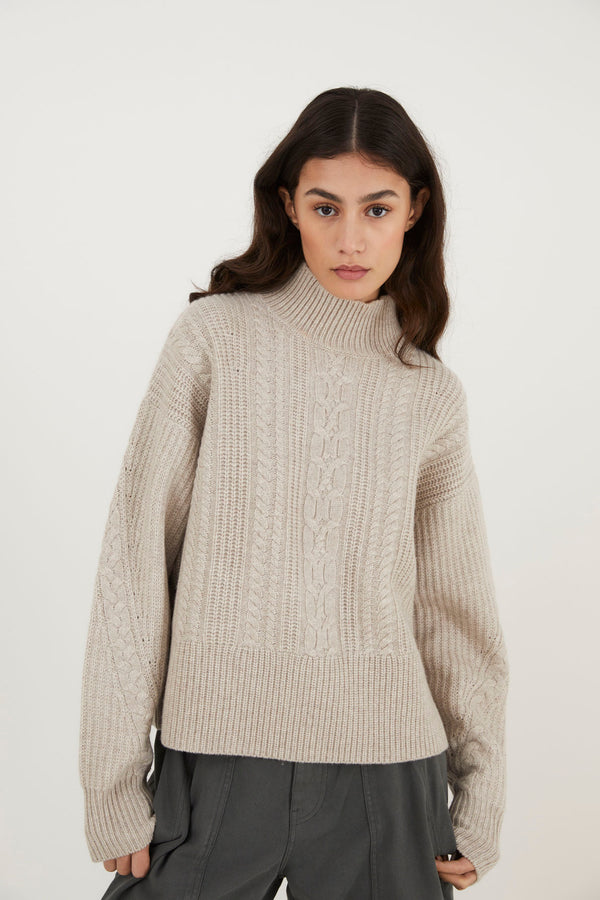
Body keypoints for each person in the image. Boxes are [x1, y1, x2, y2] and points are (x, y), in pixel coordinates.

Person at [79, 86, 509, 899]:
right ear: (288, 205)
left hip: (389, 772)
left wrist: (481, 795)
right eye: (325, 207)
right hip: (216, 757)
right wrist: (112, 782)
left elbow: (456, 614)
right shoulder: (215, 339)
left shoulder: (429, 393)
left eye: (377, 208)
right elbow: (134, 563)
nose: (351, 238)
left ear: (415, 210)